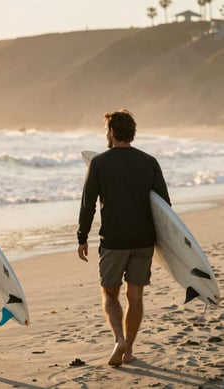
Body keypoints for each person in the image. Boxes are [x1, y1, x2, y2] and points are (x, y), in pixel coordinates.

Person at [77, 109, 170, 367]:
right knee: (136, 295)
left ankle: (119, 339)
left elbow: (88, 205)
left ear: (112, 132)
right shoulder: (149, 162)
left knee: (109, 293)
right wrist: (164, 244)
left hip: (114, 240)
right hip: (143, 239)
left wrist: (82, 237)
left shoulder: (100, 163)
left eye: (107, 130)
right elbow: (164, 206)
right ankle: (128, 351)